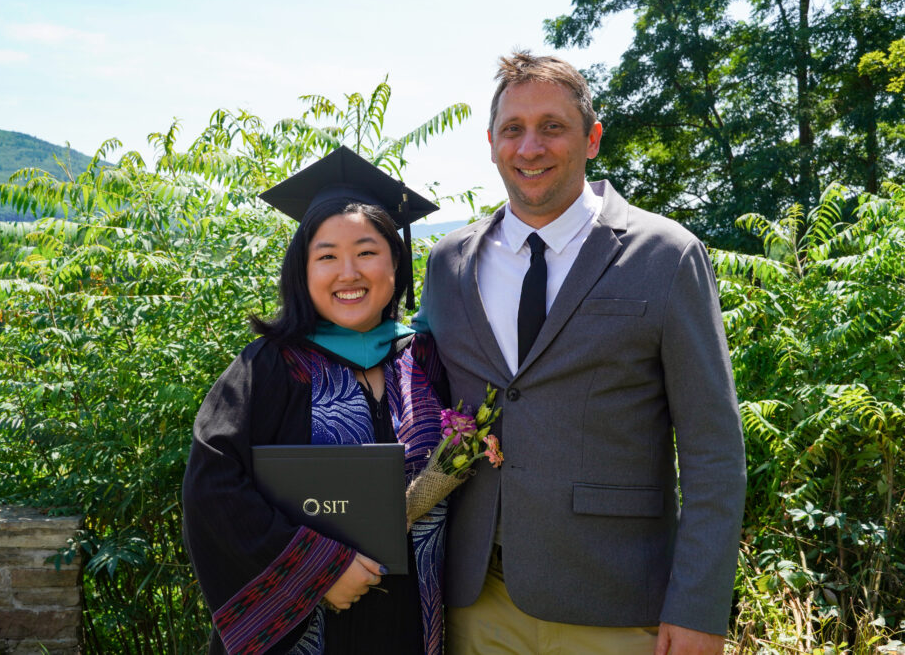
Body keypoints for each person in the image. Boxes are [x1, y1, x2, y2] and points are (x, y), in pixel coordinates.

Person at [414, 51, 746, 654]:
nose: (529, 147)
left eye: (552, 127)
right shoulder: (449, 263)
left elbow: (714, 450)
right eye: (512, 129)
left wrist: (700, 607)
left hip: (616, 605)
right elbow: (412, 387)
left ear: (592, 138)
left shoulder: (666, 255)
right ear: (491, 144)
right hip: (477, 603)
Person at [182, 146, 449, 655]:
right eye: (326, 256)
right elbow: (211, 490)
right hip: (307, 622)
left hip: (415, 623)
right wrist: (317, 571)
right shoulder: (271, 367)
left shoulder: (429, 359)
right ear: (303, 271)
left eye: (367, 251)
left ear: (397, 262)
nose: (348, 272)